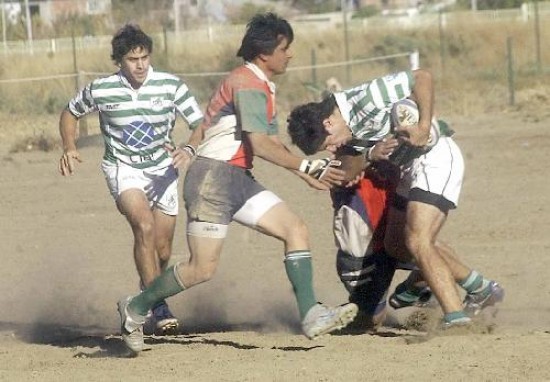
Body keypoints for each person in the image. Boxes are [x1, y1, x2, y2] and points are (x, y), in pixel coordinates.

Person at [116, 12, 357, 355]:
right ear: (265, 52)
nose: (289, 54)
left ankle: (311, 314)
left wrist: (303, 173)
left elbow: (268, 142)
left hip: (237, 178)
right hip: (212, 179)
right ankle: (136, 307)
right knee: (201, 269)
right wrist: (305, 164)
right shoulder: (246, 83)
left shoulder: (258, 83)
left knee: (295, 229)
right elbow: (258, 143)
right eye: (285, 48)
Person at [287, 68, 504, 329]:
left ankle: (456, 318)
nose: (332, 150)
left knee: (417, 239)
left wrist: (423, 126)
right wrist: (369, 156)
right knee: (397, 244)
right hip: (410, 171)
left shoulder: (368, 99)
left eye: (328, 144)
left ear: (328, 123)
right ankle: (479, 288)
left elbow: (422, 76)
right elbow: (346, 168)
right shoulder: (344, 128)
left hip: (435, 159)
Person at [58, 24, 204, 336]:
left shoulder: (170, 85)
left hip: (163, 170)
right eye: (132, 59)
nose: (139, 65)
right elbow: (70, 114)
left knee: (163, 249)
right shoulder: (101, 89)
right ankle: (158, 305)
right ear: (119, 61)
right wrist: (70, 147)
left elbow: (199, 123)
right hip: (123, 168)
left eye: (144, 58)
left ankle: (147, 286)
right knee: (144, 226)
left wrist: (190, 147)